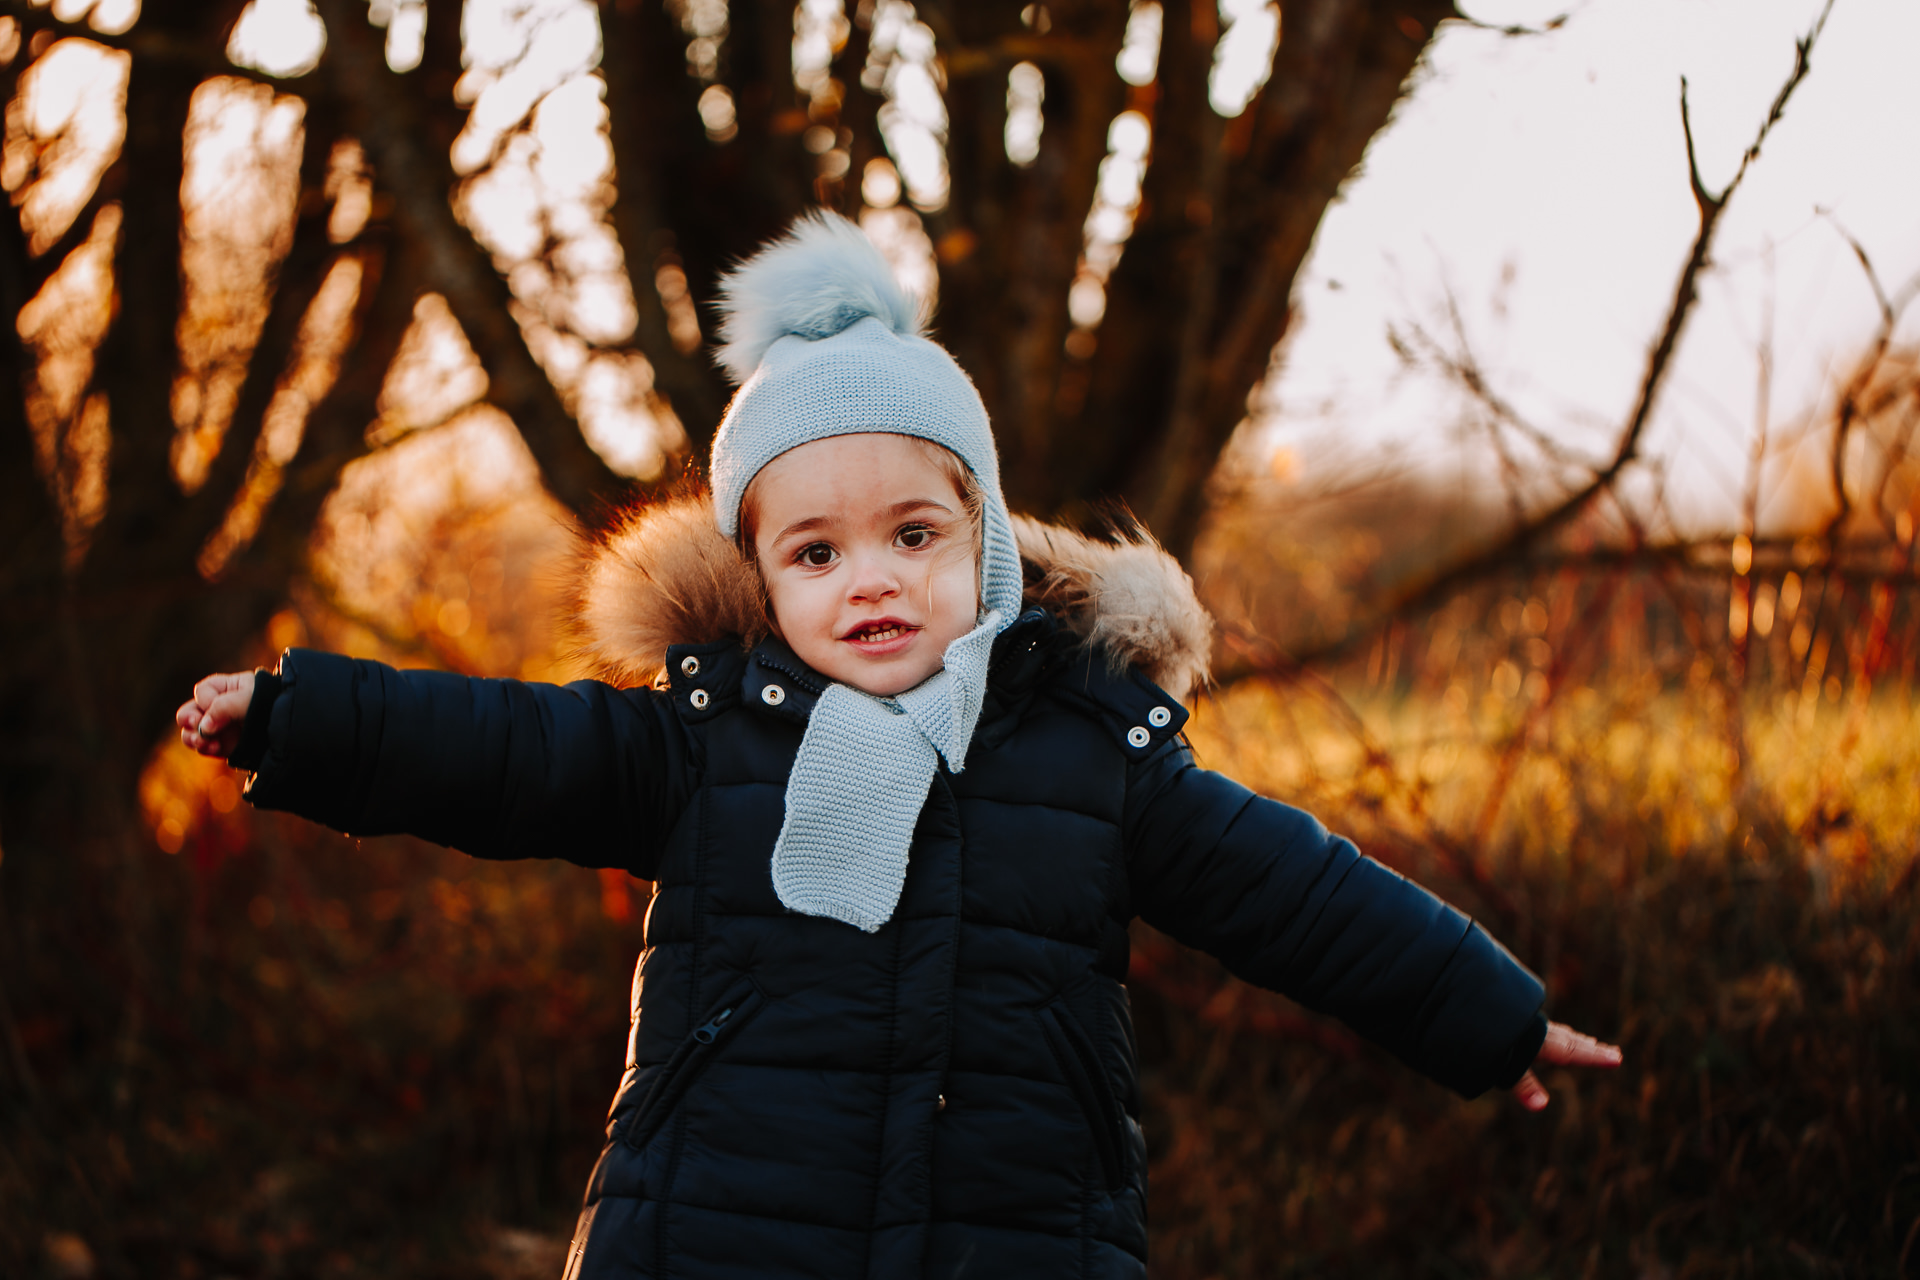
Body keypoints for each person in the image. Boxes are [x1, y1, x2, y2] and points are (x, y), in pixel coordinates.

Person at [177, 213, 1619, 1279]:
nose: (867, 578)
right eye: (814, 551)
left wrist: (1483, 1015)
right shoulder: (702, 744)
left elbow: (1298, 895)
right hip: (713, 1232)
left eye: (912, 535)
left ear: (983, 544)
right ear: (760, 580)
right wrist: (300, 719)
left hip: (1014, 1236)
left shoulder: (1089, 749)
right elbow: (499, 749)